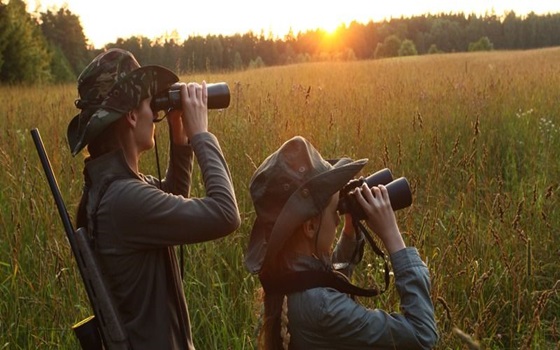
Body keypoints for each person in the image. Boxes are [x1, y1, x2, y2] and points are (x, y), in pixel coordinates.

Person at [67, 48, 241, 349]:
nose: (155, 114)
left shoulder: (116, 189)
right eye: (151, 103)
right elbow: (226, 214)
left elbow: (168, 202)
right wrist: (201, 134)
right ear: (132, 115)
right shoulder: (123, 200)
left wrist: (180, 140)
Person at [244, 136, 438, 349]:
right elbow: (421, 335)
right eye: (334, 210)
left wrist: (349, 232)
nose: (337, 219)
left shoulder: (285, 276)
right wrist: (393, 237)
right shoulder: (323, 307)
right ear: (310, 227)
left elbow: (317, 280)